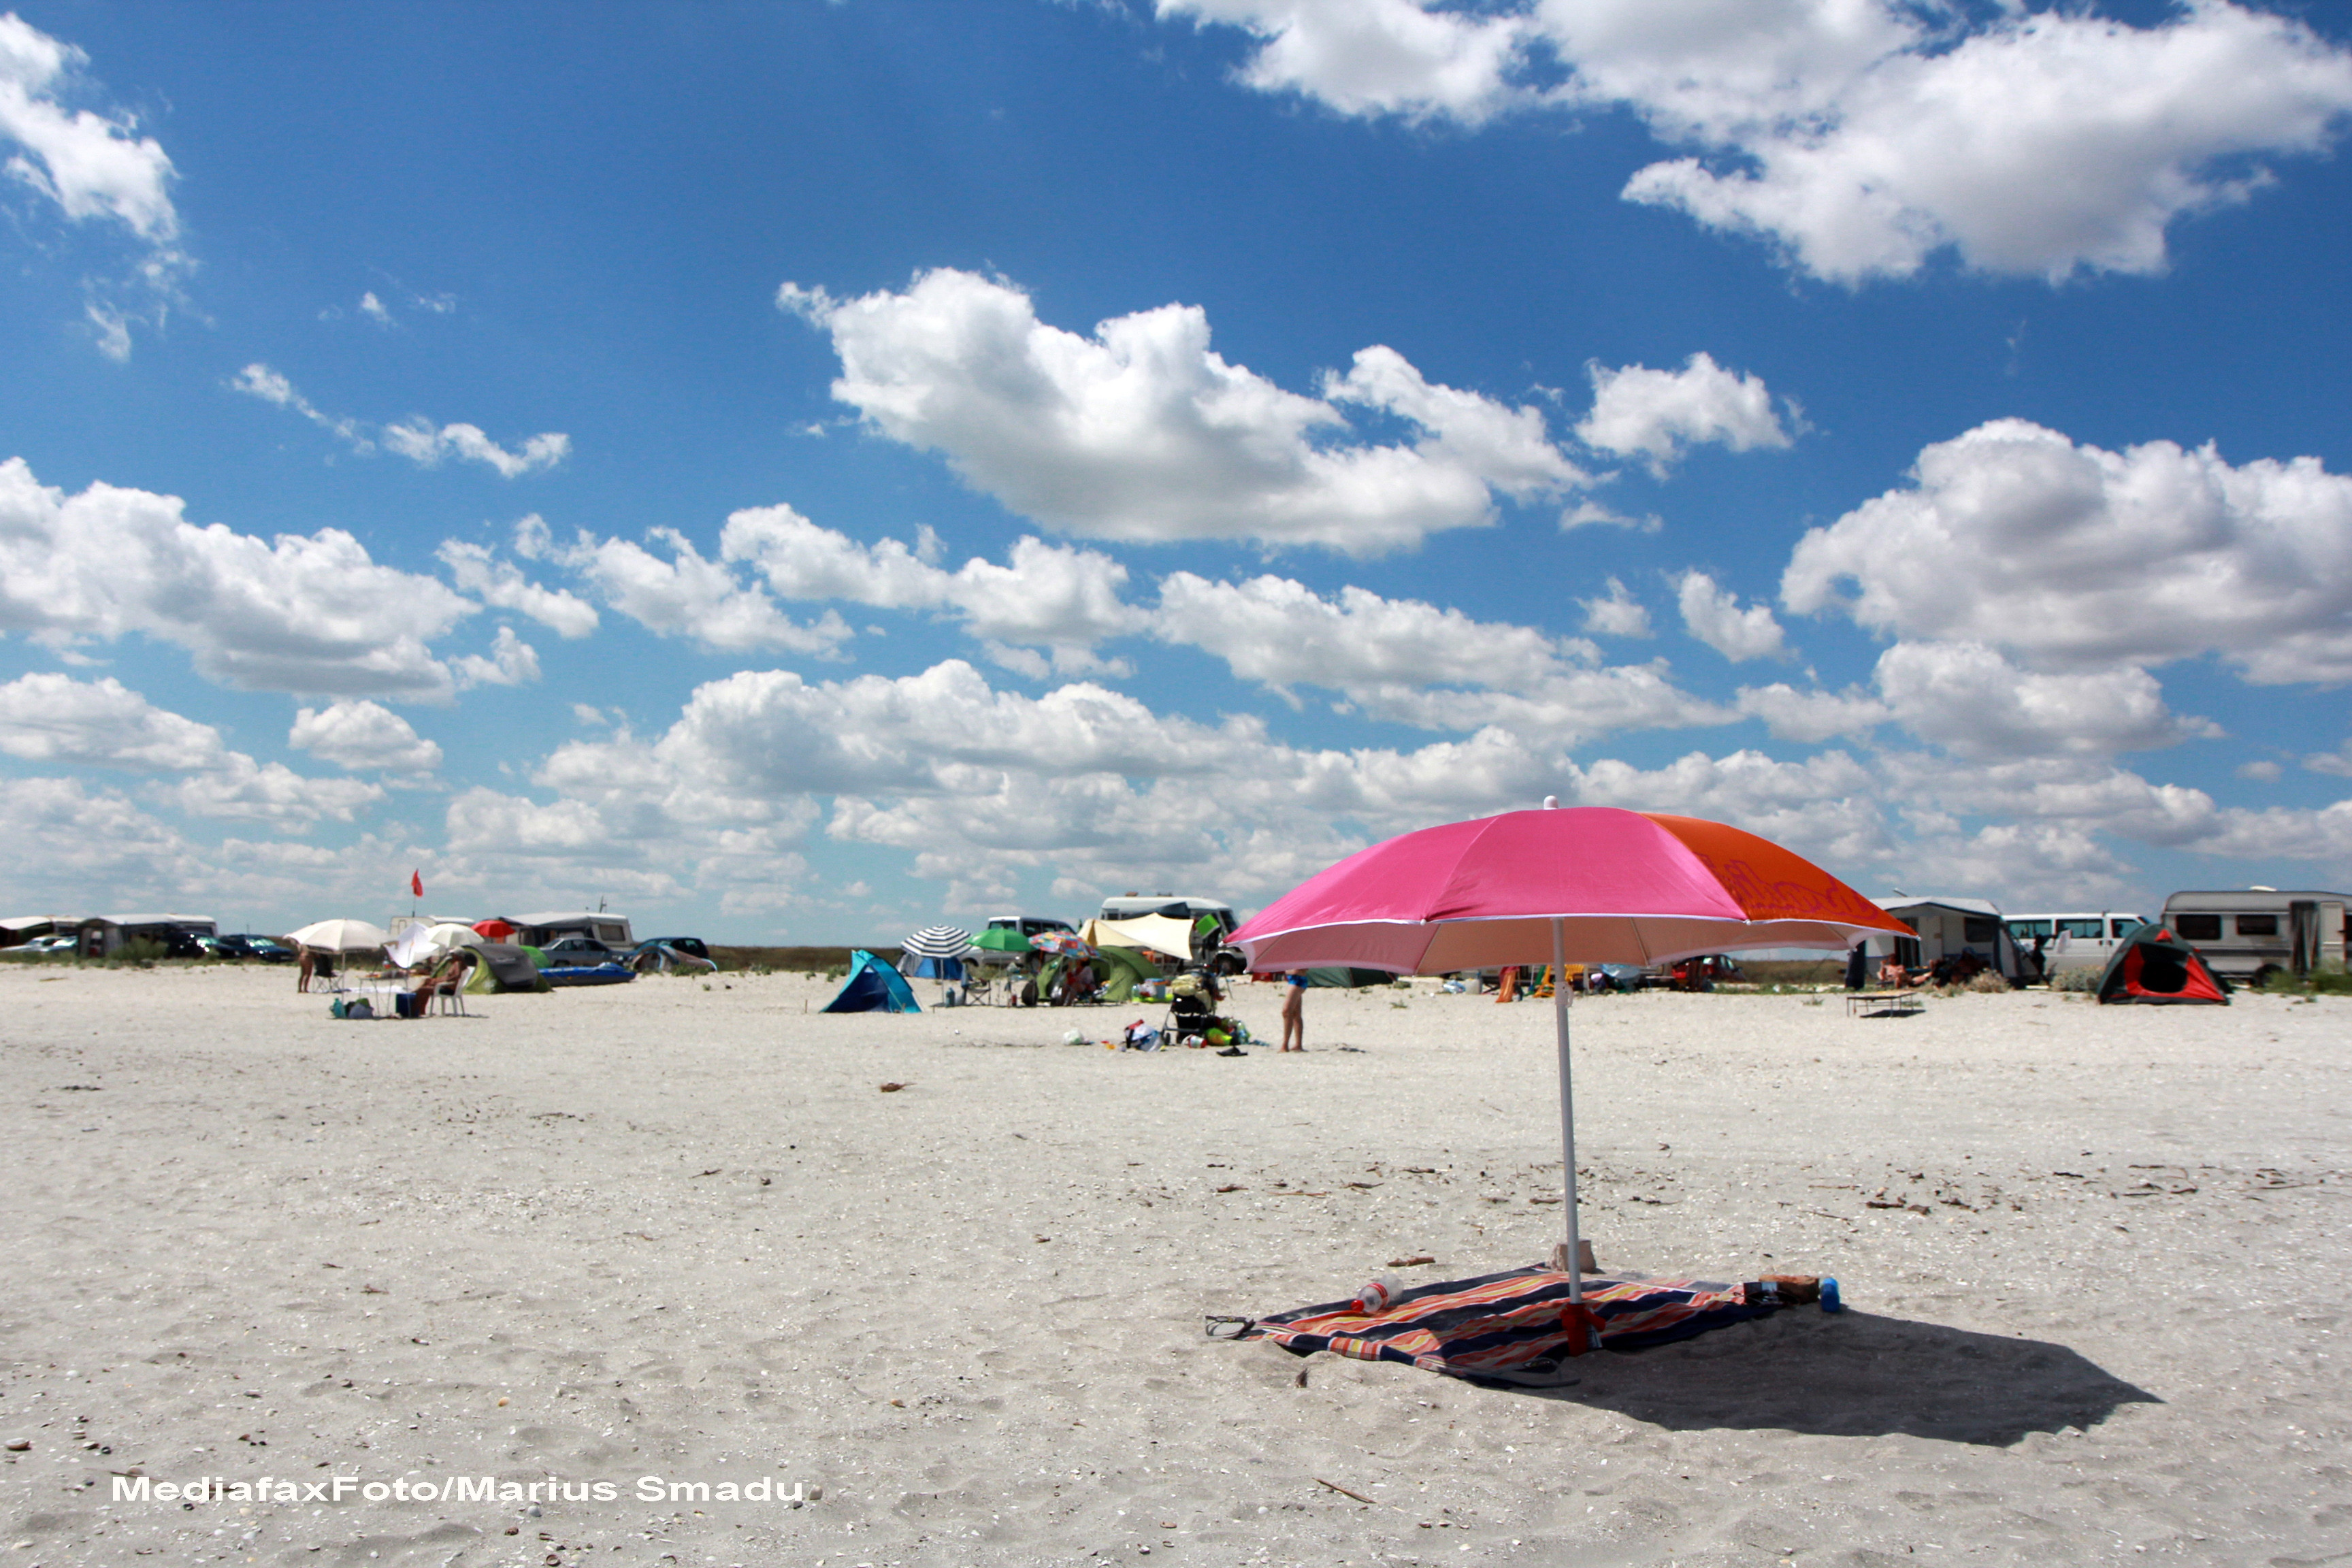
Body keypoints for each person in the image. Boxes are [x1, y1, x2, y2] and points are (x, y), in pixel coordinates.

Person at [1281, 968, 1307, 1051]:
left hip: (1298, 980)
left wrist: (1285, 971)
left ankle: (1285, 1045)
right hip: (1293, 979)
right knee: (1296, 1013)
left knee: (1287, 1011)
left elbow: (1299, 970)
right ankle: (1298, 1045)